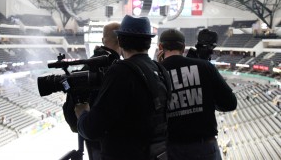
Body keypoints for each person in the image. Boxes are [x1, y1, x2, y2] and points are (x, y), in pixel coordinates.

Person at [74, 15, 171, 160]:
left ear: (120, 41)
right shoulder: (161, 70)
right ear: (149, 42)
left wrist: (82, 114)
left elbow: (92, 129)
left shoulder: (121, 71)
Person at [157, 28, 237, 160]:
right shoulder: (205, 66)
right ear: (183, 47)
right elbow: (230, 104)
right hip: (204, 147)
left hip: (170, 149)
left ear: (160, 46)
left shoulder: (155, 73)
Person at [62, 22, 121, 160]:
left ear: (102, 40)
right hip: (112, 145)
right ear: (121, 41)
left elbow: (72, 117)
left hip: (91, 141)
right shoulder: (118, 69)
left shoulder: (87, 67)